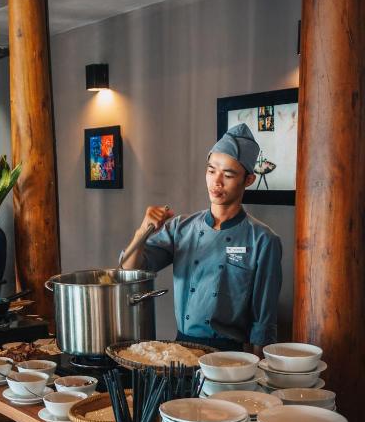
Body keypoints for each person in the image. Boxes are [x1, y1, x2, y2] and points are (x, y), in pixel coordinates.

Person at [121, 123, 282, 352]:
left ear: (248, 180)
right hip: (181, 350)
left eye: (228, 174)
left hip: (229, 357)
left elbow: (263, 324)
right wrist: (142, 230)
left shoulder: (263, 240)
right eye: (211, 170)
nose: (217, 182)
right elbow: (129, 271)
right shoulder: (181, 228)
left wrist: (256, 371)